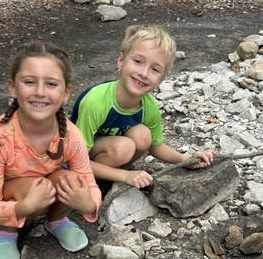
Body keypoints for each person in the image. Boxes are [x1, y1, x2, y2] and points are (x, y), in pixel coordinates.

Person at [0, 41, 102, 259]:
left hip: (44, 189)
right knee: (34, 188)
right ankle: (5, 231)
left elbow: (89, 182)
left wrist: (88, 205)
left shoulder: (71, 136)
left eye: (51, 84)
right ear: (13, 87)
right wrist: (23, 209)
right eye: (29, 82)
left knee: (73, 181)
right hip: (10, 190)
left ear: (66, 93)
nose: (40, 92)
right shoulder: (0, 135)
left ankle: (55, 220)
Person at [70, 24, 215, 189]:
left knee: (143, 135)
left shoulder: (149, 107)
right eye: (138, 61)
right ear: (121, 61)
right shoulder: (95, 102)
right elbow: (76, 161)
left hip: (109, 151)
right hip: (81, 154)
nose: (144, 73)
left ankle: (113, 177)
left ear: (161, 80)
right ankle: (101, 182)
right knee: (124, 147)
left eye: (154, 69)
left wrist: (186, 160)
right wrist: (126, 176)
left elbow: (155, 146)